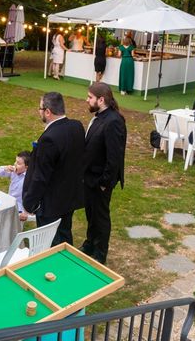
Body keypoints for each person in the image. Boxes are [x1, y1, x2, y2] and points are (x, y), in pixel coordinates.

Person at [22, 92, 85, 246]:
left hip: (51, 203)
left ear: (48, 112)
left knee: (50, 243)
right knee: (65, 235)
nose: (39, 112)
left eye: (40, 108)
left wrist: (29, 203)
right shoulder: (76, 126)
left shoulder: (49, 138)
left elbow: (41, 176)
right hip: (69, 196)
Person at [81, 83, 126, 264]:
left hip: (101, 179)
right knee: (90, 214)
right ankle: (90, 243)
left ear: (101, 100)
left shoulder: (114, 121)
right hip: (89, 177)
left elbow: (114, 156)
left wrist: (104, 182)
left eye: (90, 97)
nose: (87, 100)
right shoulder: (99, 117)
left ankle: (100, 253)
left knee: (100, 216)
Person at [0, 151, 31, 221]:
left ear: (26, 168)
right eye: (15, 161)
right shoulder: (13, 172)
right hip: (9, 201)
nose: (15, 164)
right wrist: (5, 168)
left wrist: (25, 212)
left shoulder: (29, 178)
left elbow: (31, 196)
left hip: (20, 208)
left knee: (14, 226)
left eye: (18, 163)